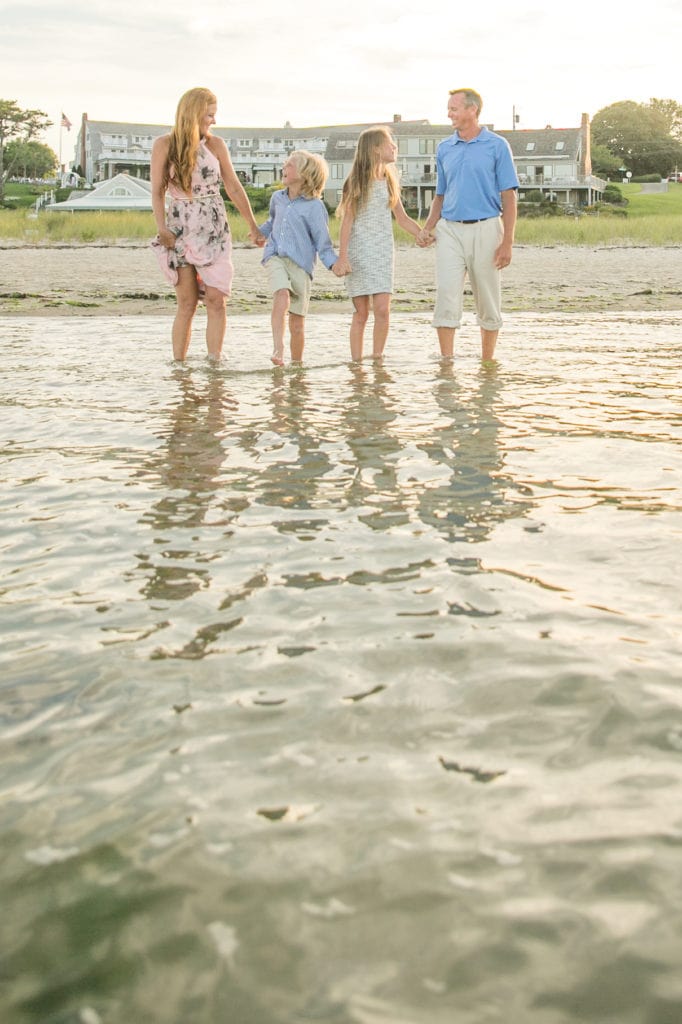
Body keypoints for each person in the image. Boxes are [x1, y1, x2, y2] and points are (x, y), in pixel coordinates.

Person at [151, 87, 264, 362]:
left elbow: (233, 187)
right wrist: (162, 228)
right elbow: (157, 191)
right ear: (194, 112)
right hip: (180, 227)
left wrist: (252, 224)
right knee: (187, 303)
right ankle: (180, 367)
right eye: (210, 114)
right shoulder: (164, 144)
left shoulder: (216, 145)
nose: (213, 120)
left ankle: (215, 363)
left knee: (216, 299)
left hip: (213, 227)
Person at [420, 88, 518, 361]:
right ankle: (447, 364)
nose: (448, 114)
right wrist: (428, 228)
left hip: (487, 228)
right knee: (446, 295)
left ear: (472, 110)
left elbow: (508, 197)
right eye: (449, 109)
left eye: (453, 108)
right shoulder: (444, 148)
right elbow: (440, 195)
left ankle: (488, 363)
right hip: (449, 230)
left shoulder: (497, 146)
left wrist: (507, 241)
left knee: (487, 298)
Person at [336, 126, 429, 361]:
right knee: (361, 314)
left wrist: (422, 234)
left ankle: (377, 359)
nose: (394, 147)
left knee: (383, 311)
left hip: (383, 252)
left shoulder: (389, 180)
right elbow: (347, 221)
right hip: (359, 252)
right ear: (376, 149)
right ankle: (356, 364)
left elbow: (402, 218)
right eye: (390, 143)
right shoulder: (356, 181)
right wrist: (342, 256)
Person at [259, 150, 345, 365]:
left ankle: (297, 367)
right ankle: (278, 349)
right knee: (281, 295)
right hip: (275, 256)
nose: (284, 168)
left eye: (289, 165)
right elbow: (271, 222)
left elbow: (322, 242)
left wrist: (333, 264)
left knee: (297, 324)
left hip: (301, 267)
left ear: (305, 174)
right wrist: (258, 233)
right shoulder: (277, 198)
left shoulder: (315, 207)